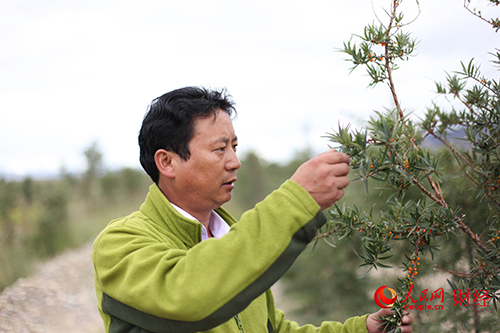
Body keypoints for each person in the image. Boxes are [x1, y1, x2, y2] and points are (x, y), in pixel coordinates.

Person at [92, 86, 413, 333]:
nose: (235, 161)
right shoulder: (120, 244)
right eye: (219, 149)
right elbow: (189, 294)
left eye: (234, 146)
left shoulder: (233, 240)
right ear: (167, 162)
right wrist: (296, 199)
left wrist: (361, 329)